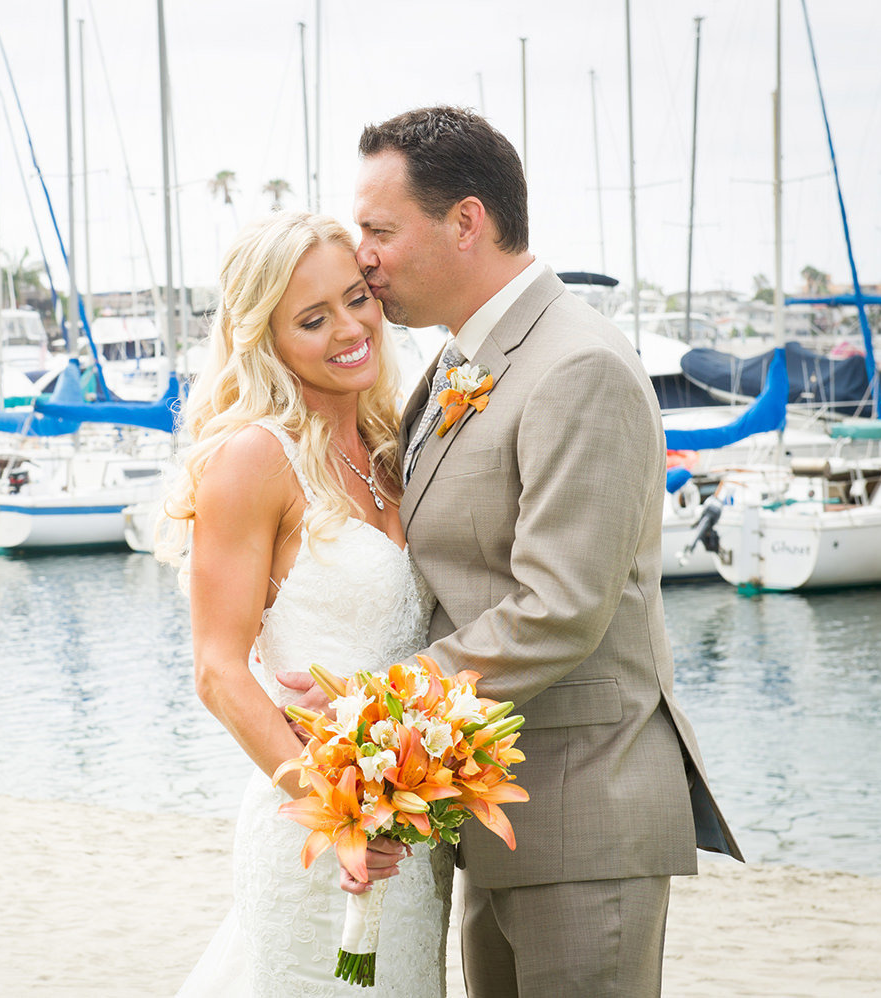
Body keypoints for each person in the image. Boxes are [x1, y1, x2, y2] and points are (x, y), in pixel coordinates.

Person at [280, 105, 744, 996]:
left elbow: (558, 608)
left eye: (379, 230)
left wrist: (368, 706)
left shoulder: (578, 367)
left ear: (466, 221)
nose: (363, 255)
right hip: (491, 817)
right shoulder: (461, 361)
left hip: (582, 813)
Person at [162, 211, 453, 996]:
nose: (350, 328)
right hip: (316, 826)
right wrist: (341, 812)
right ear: (266, 337)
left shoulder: (395, 447)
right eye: (312, 318)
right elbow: (218, 671)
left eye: (356, 298)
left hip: (410, 834)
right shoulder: (254, 458)